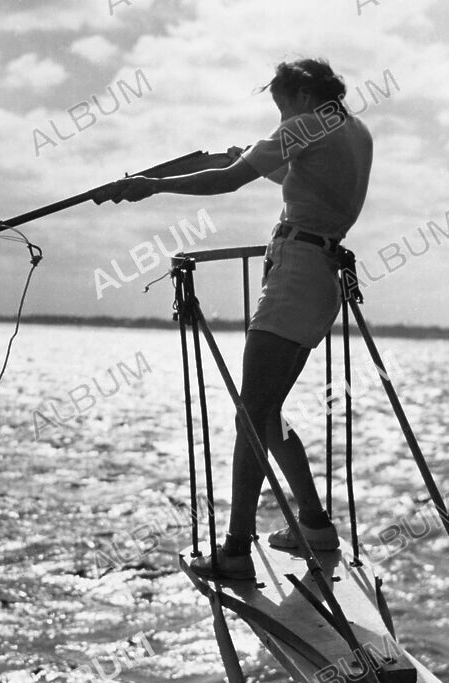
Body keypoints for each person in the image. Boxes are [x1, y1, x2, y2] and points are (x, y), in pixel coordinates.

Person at [107, 58, 373, 580]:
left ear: (300, 94)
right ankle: (315, 525)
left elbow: (229, 183)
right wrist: (253, 155)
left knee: (250, 415)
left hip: (296, 277)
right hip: (318, 274)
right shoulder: (352, 128)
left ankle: (235, 550)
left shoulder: (305, 124)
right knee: (266, 412)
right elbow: (304, 175)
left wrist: (154, 185)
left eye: (281, 106)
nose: (280, 119)